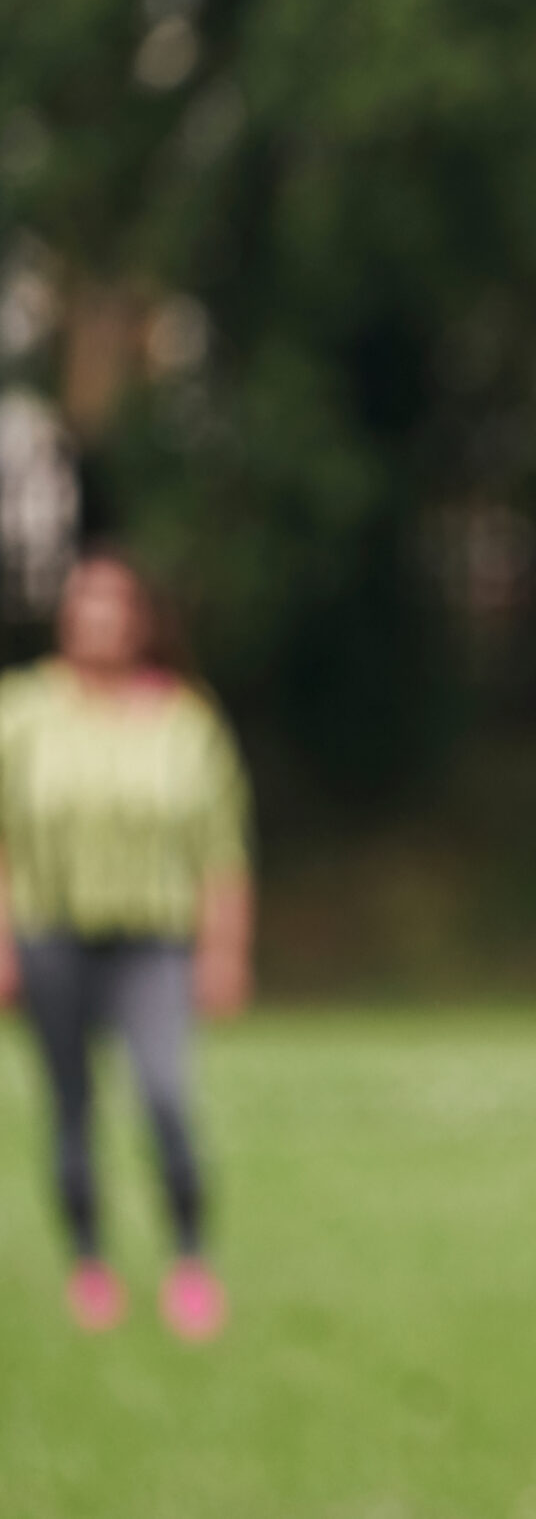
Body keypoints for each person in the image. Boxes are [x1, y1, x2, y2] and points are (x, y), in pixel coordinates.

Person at [0, 548, 253, 1340]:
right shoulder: (22, 711)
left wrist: (225, 949)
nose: (99, 620)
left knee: (166, 1097)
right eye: (86, 604)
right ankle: (90, 1264)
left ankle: (188, 1257)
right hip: (52, 929)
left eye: (115, 605)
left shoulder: (186, 719)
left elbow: (222, 846)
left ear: (140, 620)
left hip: (154, 937)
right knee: (71, 1109)